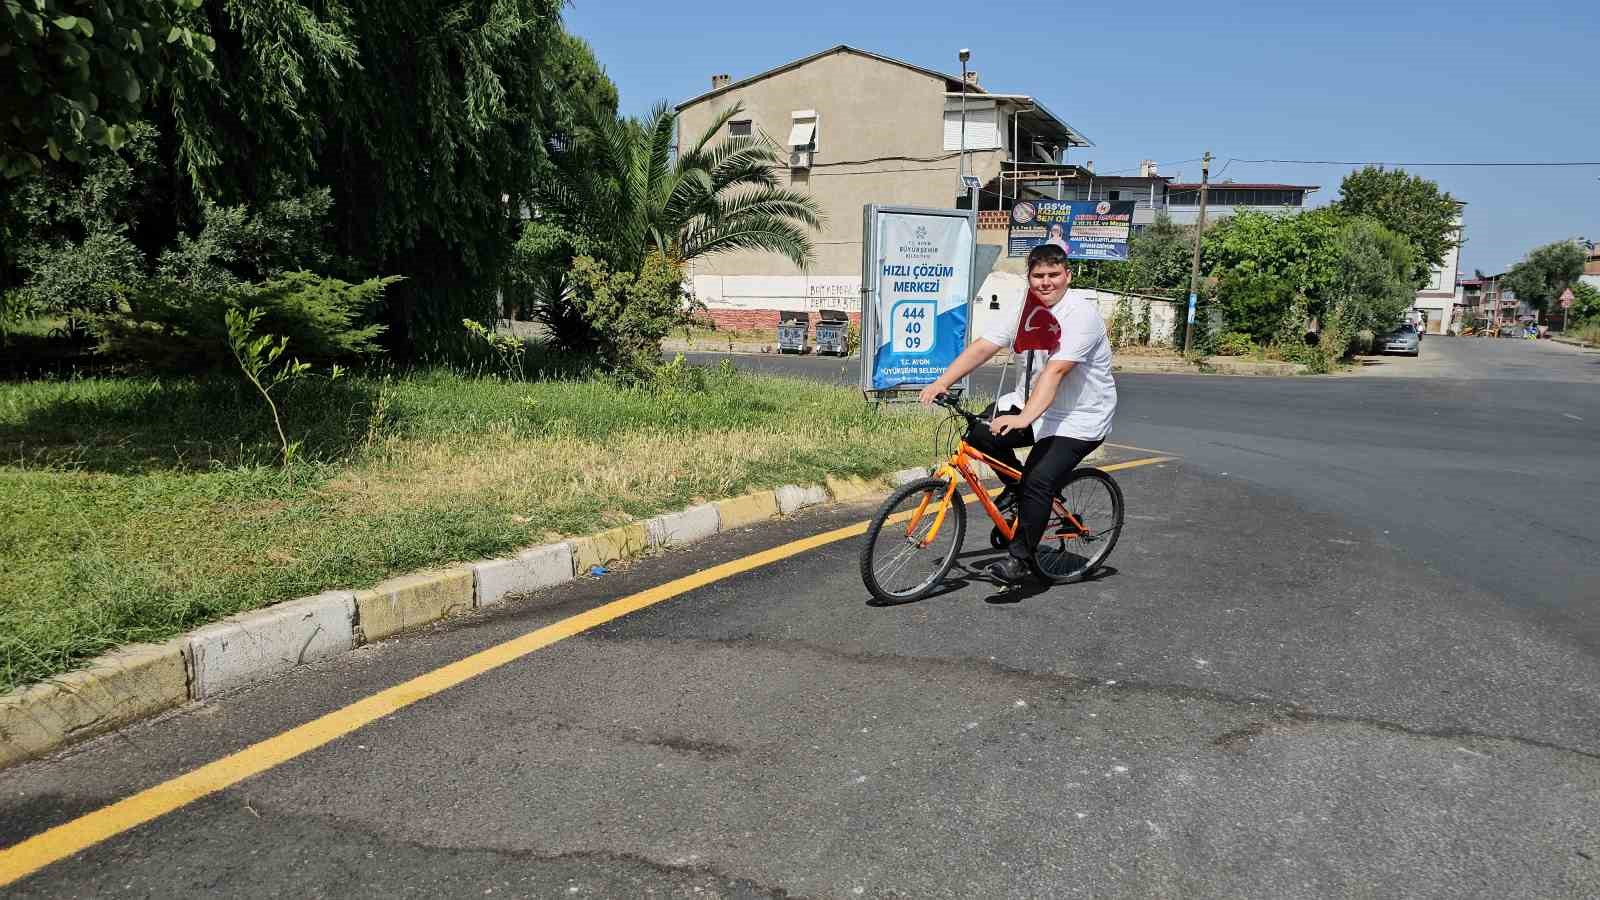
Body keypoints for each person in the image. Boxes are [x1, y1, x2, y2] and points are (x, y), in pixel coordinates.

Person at [917, 242, 1117, 585]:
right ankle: (1017, 489)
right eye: (1038, 275)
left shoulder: (1080, 315)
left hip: (1078, 417)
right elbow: (984, 346)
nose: (1046, 282)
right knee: (979, 433)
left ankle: (1020, 559)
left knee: (1038, 481)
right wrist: (942, 381)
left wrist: (1023, 420)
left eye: (1054, 275)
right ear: (1029, 278)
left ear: (1067, 276)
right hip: (1030, 404)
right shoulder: (1024, 309)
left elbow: (1056, 371)